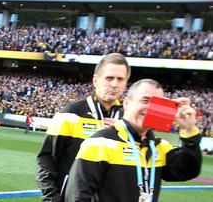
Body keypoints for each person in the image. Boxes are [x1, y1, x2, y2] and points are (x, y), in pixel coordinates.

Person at [64, 79, 202, 201]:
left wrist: (189, 130)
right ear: (127, 103)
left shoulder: (158, 146)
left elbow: (187, 170)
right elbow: (76, 196)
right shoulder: (99, 143)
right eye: (145, 101)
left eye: (156, 103)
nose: (149, 108)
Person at [36, 53, 130, 202]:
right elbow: (46, 160)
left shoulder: (128, 120)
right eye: (109, 78)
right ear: (95, 80)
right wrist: (51, 198)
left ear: (126, 83)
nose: (114, 84)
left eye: (120, 79)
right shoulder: (70, 114)